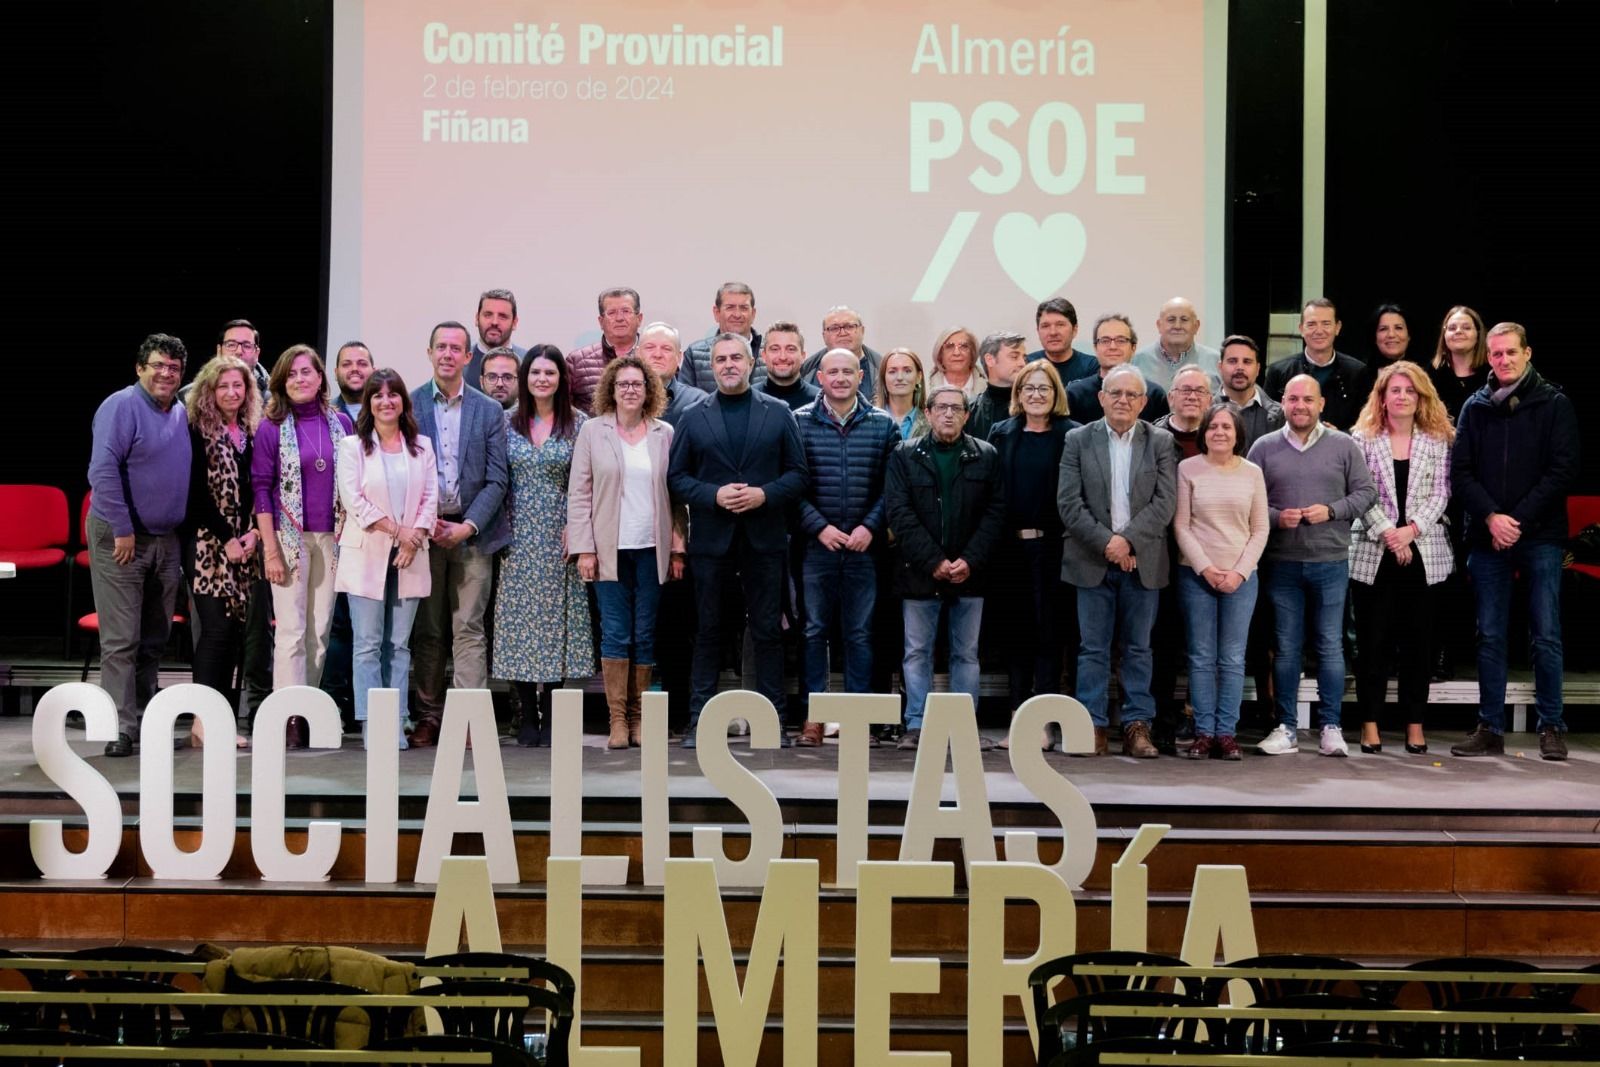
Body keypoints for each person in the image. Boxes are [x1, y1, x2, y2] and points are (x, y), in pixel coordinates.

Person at [668, 333, 808, 748]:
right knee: (708, 631)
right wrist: (713, 495)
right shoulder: (693, 416)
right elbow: (676, 478)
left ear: (751, 363)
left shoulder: (779, 412)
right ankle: (699, 723)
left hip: (764, 540)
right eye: (720, 359)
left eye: (736, 358)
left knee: (767, 632)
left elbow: (798, 475)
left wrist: (765, 494)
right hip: (712, 543)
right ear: (711, 366)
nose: (728, 364)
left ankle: (773, 724)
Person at [1450, 323, 1580, 761]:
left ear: (1527, 353)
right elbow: (1460, 473)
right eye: (1496, 354)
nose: (1503, 360)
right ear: (1488, 357)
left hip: (1540, 535)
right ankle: (1490, 727)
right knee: (1489, 635)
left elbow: (1562, 471)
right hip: (1487, 536)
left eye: (1510, 352)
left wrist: (1516, 520)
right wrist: (1491, 517)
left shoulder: (1554, 403)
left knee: (1546, 634)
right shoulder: (1474, 407)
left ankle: (1552, 726)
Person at [1247, 374, 1376, 757]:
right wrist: (1275, 517)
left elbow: (1367, 493)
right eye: (1292, 399)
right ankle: (1286, 727)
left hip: (1330, 561)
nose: (1300, 405)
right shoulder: (1263, 447)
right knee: (1286, 649)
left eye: (1307, 399)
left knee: (1330, 646)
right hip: (1281, 563)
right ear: (1282, 403)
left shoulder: (1343, 445)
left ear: (1321, 404)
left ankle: (1330, 727)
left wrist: (1332, 511)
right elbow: (1246, 498)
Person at [1058, 365, 1177, 759]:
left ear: (1143, 402)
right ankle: (1092, 725)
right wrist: (1108, 543)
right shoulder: (1078, 439)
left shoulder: (1160, 441)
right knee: (1092, 649)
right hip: (1091, 560)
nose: (1123, 400)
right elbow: (1069, 503)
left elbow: (1165, 502)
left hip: (1142, 562)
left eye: (1131, 394)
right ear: (1101, 398)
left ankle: (1136, 726)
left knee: (1139, 649)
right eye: (1115, 393)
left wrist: (1127, 542)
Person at [569, 356, 683, 748]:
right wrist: (584, 549)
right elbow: (579, 493)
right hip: (608, 551)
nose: (630, 390)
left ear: (649, 390)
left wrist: (678, 549)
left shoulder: (664, 433)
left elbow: (677, 496)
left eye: (637, 384)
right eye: (623, 384)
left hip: (652, 549)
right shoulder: (592, 431)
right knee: (616, 633)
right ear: (611, 390)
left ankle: (639, 718)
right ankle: (617, 720)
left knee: (645, 634)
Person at [884, 385, 1006, 749]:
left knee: (966, 654)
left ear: (967, 415)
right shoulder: (904, 455)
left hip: (971, 574)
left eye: (956, 408)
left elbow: (995, 513)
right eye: (941, 407)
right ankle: (917, 725)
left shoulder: (986, 455)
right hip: (919, 573)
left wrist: (970, 560)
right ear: (928, 412)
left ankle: (963, 726)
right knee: (916, 652)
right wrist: (933, 561)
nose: (948, 414)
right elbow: (899, 513)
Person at [89, 334, 193, 757]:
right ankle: (119, 727)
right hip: (123, 538)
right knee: (121, 640)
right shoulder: (121, 406)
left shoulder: (180, 412)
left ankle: (145, 718)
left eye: (174, 368)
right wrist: (123, 528)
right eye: (158, 365)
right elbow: (102, 470)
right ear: (139, 368)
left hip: (165, 540)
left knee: (154, 638)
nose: (166, 374)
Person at [408, 321, 511, 746]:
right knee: (429, 631)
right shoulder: (410, 404)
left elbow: (497, 479)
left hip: (473, 534)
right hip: (426, 534)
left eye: (456, 348)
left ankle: (469, 719)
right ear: (429, 352)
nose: (448, 354)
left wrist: (467, 526)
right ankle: (429, 717)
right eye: (441, 347)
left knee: (468, 627)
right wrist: (427, 521)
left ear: (469, 357)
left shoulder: (488, 410)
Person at [794, 349, 899, 746]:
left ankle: (858, 721)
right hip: (816, 548)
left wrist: (870, 527)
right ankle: (814, 718)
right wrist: (818, 527)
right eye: (832, 371)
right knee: (813, 632)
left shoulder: (883, 425)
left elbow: (893, 488)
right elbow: (791, 485)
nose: (840, 378)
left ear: (861, 377)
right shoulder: (799, 421)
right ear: (820, 377)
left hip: (863, 550)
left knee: (859, 634)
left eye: (847, 371)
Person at [1348, 363, 1454, 755]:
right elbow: (1359, 491)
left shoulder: (1438, 439)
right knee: (1372, 644)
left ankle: (1414, 724)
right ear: (1382, 397)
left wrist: (1411, 530)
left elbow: (1441, 493)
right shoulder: (1361, 438)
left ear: (1421, 397)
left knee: (1418, 644)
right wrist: (1390, 534)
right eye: (1395, 390)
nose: (1403, 396)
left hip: (1424, 551)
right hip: (1373, 550)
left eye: (1410, 391)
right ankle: (1370, 724)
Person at [491, 346, 594, 744]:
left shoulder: (580, 424)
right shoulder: (505, 422)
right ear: (525, 378)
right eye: (535, 372)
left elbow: (587, 482)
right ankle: (525, 717)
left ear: (561, 379)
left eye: (550, 373)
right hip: (516, 536)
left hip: (559, 534)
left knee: (555, 625)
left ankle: (551, 712)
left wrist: (578, 527)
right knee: (518, 624)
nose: (542, 379)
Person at [253, 345, 353, 748]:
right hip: (288, 538)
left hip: (333, 538)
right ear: (281, 381)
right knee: (292, 631)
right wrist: (270, 550)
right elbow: (261, 489)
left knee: (320, 631)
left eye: (306, 372)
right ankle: (289, 717)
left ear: (320, 377)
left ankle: (308, 708)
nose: (299, 379)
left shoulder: (342, 423)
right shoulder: (271, 427)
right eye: (291, 374)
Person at [334, 369, 437, 749]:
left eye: (393, 394)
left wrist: (414, 538)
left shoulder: (421, 446)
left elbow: (430, 498)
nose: (386, 401)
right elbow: (354, 501)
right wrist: (398, 532)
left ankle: (395, 721)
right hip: (367, 554)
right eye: (378, 395)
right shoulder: (352, 447)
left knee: (399, 645)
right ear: (369, 403)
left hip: (411, 556)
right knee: (367, 644)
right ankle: (371, 724)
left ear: (403, 402)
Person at [986, 360, 1079, 747]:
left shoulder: (1071, 435)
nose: (1036, 395)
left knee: (1050, 636)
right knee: (1017, 637)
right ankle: (1018, 721)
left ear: (1056, 394)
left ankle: (1044, 723)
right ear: (1018, 394)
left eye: (1044, 388)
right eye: (1029, 388)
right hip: (1010, 550)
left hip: (1056, 549)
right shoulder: (1001, 433)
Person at [1173, 403, 1268, 760]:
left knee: (1231, 658)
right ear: (1204, 432)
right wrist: (1206, 568)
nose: (1219, 433)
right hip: (1196, 575)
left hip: (1241, 579)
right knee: (1201, 657)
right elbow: (1181, 525)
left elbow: (1260, 528)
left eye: (1227, 427)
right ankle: (1204, 733)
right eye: (1213, 426)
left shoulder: (1252, 473)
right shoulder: (1187, 469)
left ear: (1237, 434)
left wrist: (1239, 572)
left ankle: (1226, 734)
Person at [184, 354, 261, 749]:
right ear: (209, 391)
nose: (232, 393)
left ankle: (223, 721)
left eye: (238, 386)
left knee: (233, 635)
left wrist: (252, 533)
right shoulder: (196, 429)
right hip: (207, 545)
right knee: (215, 631)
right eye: (223, 386)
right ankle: (202, 722)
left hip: (242, 547)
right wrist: (226, 537)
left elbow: (257, 489)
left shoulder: (250, 430)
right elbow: (195, 493)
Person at [636, 322, 706, 732]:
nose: (658, 354)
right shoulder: (622, 401)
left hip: (682, 532)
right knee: (636, 627)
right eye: (650, 347)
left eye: (667, 349)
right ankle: (634, 712)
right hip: (632, 531)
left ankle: (679, 714)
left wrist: (680, 540)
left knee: (678, 627)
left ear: (680, 359)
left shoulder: (697, 405)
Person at [1263, 298, 1366, 429]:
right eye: (1311, 324)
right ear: (1301, 329)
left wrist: (1340, 436)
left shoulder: (1358, 372)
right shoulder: (1278, 371)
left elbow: (1368, 424)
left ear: (1337, 327)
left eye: (1326, 324)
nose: (1319, 331)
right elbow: (1267, 423)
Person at [1066, 314, 1170, 424]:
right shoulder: (1074, 395)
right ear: (1095, 348)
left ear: (1133, 348)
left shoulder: (1154, 395)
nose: (1113, 347)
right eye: (1105, 341)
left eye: (1121, 340)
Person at [568, 286, 643, 413]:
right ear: (601, 322)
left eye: (626, 311)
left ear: (639, 319)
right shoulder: (577, 361)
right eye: (612, 313)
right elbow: (562, 412)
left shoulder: (655, 358)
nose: (619, 318)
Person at [679, 283, 765, 392]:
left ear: (753, 314)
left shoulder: (770, 353)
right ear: (717, 313)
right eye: (730, 308)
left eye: (744, 308)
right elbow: (685, 398)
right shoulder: (695, 354)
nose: (737, 315)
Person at [1131, 297, 1220, 390]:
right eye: (1171, 320)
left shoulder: (1216, 361)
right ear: (1159, 325)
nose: (1177, 326)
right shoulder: (1137, 361)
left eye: (1184, 320)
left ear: (1196, 326)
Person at [1216, 334, 1285, 450]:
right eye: (1232, 361)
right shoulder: (1204, 412)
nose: (1240, 367)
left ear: (1258, 369)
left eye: (1247, 362)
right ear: (1220, 367)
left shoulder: (1280, 415)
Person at [799, 306, 882, 400]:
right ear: (824, 336)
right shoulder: (807, 370)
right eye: (834, 328)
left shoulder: (881, 367)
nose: (842, 333)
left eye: (849, 326)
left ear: (862, 331)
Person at [1426, 304, 1488, 420]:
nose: (1458, 331)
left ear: (1478, 334)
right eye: (1452, 328)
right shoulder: (1431, 373)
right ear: (1444, 335)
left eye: (1466, 328)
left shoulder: (1491, 372)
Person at [966, 330, 1028, 440]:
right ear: (990, 360)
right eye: (1014, 357)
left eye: (1024, 358)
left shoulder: (1032, 406)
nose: (1022, 363)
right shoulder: (970, 411)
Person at [1352, 303, 1418, 404]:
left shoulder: (1424, 375)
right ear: (1374, 337)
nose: (1391, 334)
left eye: (1398, 328)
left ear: (1409, 335)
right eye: (1383, 329)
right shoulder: (1360, 378)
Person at [463, 288, 526, 391]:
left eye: (503, 316)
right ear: (477, 318)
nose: (494, 322)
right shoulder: (460, 362)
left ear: (514, 323)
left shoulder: (528, 363)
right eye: (488, 315)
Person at [1026, 297, 1098, 382]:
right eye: (1045, 326)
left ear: (1074, 330)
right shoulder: (1026, 365)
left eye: (1060, 325)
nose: (1053, 332)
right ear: (1038, 331)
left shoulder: (1092, 367)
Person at [758, 320, 820, 410]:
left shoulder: (820, 402)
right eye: (775, 349)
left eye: (790, 349)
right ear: (764, 356)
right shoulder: (749, 399)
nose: (782, 357)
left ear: (803, 356)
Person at [874, 348, 930, 441]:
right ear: (884, 378)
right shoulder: (868, 420)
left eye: (907, 371)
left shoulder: (931, 422)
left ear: (918, 377)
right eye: (892, 372)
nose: (900, 377)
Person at [927, 326, 984, 402]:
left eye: (963, 346)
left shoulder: (988, 386)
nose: (956, 353)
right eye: (949, 347)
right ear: (940, 354)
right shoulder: (926, 387)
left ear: (972, 353)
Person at [331, 341, 374, 422]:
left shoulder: (389, 413)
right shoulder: (323, 414)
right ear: (336, 373)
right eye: (346, 364)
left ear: (374, 372)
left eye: (362, 364)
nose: (354, 369)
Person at [478, 347, 521, 411]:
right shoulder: (468, 414)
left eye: (508, 377)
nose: (500, 384)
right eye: (492, 377)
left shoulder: (532, 415)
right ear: (481, 382)